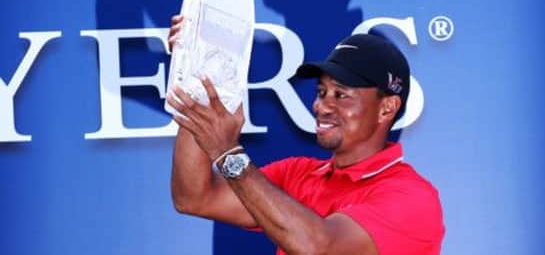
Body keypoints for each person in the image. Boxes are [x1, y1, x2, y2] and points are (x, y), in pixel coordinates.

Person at [167, 16, 445, 255]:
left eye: (341, 95)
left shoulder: (413, 198)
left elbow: (317, 248)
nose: (322, 106)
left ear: (387, 108)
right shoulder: (297, 174)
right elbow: (194, 197)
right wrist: (199, 76)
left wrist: (229, 153)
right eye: (321, 92)